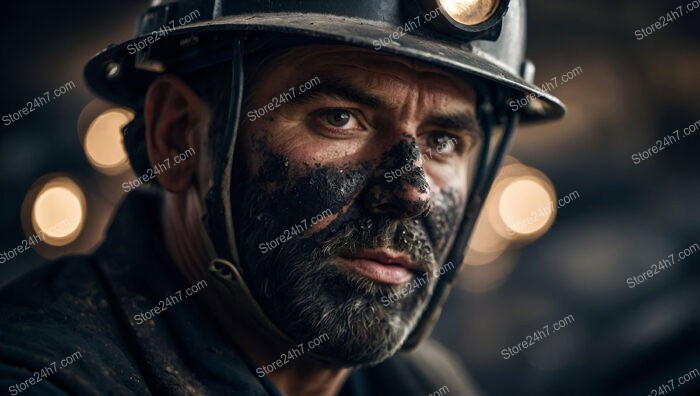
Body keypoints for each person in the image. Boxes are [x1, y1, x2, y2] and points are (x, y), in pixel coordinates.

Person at [0, 0, 564, 395]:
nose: (411, 191)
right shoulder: (41, 373)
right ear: (178, 136)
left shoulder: (430, 384)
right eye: (339, 118)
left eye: (443, 140)